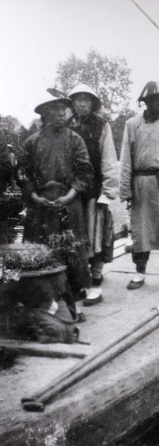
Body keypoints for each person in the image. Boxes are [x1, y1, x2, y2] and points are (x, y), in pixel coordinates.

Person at [17, 89, 94, 320]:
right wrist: (33, 195)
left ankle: (74, 308)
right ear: (45, 114)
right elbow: (22, 173)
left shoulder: (75, 140)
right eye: (55, 110)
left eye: (63, 109)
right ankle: (46, 306)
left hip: (67, 205)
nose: (61, 114)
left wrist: (71, 195)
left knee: (72, 254)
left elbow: (85, 171)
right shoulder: (32, 142)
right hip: (39, 207)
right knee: (41, 254)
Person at [119, 81, 159, 290]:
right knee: (141, 230)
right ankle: (139, 273)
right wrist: (125, 190)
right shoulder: (132, 125)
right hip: (141, 184)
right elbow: (126, 160)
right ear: (146, 102)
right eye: (156, 100)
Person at [68, 84, 119, 306]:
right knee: (74, 233)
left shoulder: (101, 126)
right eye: (78, 99)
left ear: (93, 103)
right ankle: (76, 276)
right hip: (70, 189)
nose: (82, 103)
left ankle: (96, 272)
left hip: (93, 188)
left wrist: (108, 192)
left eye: (86, 99)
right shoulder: (66, 125)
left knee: (95, 232)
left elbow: (108, 159)